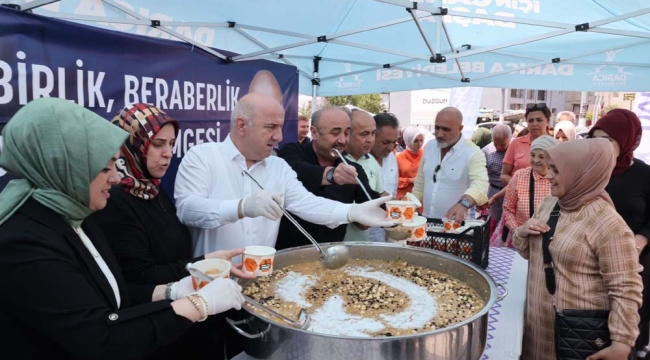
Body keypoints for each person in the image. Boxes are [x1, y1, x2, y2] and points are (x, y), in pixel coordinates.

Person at [0, 98, 244, 360]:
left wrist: (172, 290)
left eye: (116, 165)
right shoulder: (21, 241)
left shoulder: (81, 213)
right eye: (105, 168)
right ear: (64, 166)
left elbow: (114, 294)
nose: (116, 177)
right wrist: (198, 304)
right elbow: (101, 338)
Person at [91, 103, 252, 359]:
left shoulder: (151, 188)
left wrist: (206, 263)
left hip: (186, 320)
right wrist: (201, 264)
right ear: (130, 144)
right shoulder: (114, 200)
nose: (168, 153)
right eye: (157, 144)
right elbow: (137, 276)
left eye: (171, 143)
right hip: (157, 331)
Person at [174, 94, 391, 256]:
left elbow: (307, 204)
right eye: (270, 127)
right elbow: (188, 210)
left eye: (280, 127)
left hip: (261, 278)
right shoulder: (203, 157)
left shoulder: (277, 166)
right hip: (212, 281)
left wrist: (352, 211)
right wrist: (240, 207)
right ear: (242, 125)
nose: (278, 136)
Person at [513, 138, 642, 360]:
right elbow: (529, 254)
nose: (548, 175)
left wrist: (622, 342)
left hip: (576, 339)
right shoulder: (551, 204)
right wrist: (522, 231)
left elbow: (626, 288)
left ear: (582, 173)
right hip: (538, 330)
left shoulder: (608, 224)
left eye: (556, 170)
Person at [276, 105, 383, 249]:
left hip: (331, 254)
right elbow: (299, 170)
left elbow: (370, 201)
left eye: (347, 133)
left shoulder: (352, 168)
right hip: (289, 250)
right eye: (335, 133)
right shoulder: (292, 151)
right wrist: (331, 174)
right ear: (314, 132)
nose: (342, 140)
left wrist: (399, 212)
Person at [588, 109, 650, 358]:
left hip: (635, 261)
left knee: (630, 320)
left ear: (625, 141)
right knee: (595, 323)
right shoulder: (589, 172)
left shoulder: (644, 174)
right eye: (594, 138)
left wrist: (642, 238)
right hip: (593, 260)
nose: (599, 146)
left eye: (607, 139)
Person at [412, 107, 488, 222]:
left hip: (457, 228)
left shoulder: (473, 153)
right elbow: (420, 184)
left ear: (460, 128)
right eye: (437, 127)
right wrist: (409, 204)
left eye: (446, 129)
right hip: (427, 224)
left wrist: (463, 204)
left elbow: (480, 185)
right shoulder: (430, 146)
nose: (439, 134)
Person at [490, 135, 557, 248]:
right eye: (532, 155)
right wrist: (517, 230)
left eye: (541, 156)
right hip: (520, 241)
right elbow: (508, 209)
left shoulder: (560, 179)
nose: (536, 160)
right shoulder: (520, 176)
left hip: (550, 242)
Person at [342, 109, 386, 242]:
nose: (370, 140)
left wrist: (400, 208)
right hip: (335, 242)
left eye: (373, 134)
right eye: (364, 134)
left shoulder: (371, 160)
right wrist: (357, 217)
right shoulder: (334, 161)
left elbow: (380, 193)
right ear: (347, 134)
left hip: (361, 242)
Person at [482, 124, 512, 232]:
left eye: (503, 145)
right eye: (496, 144)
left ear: (510, 138)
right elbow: (481, 176)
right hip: (494, 191)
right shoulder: (486, 151)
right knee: (495, 224)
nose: (499, 148)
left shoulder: (516, 149)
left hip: (514, 191)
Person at [370, 112, 400, 198]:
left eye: (394, 142)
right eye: (385, 142)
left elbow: (393, 191)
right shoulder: (359, 160)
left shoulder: (391, 157)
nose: (390, 148)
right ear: (372, 136)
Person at [396, 126, 424, 200]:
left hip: (421, 198)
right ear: (408, 140)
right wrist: (410, 180)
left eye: (421, 140)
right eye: (416, 141)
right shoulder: (399, 158)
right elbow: (393, 179)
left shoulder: (426, 156)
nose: (419, 143)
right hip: (404, 197)